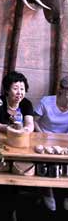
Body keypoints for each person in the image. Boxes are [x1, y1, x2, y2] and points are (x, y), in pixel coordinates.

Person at [34, 76, 68, 212]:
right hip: (43, 137)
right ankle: (47, 190)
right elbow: (33, 121)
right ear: (61, 91)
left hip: (64, 140)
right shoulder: (46, 102)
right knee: (46, 161)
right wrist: (42, 135)